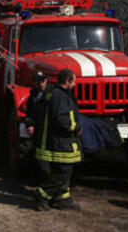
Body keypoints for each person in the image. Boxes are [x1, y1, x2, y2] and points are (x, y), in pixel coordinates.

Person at [33, 68, 82, 211]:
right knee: (63, 172)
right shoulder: (59, 96)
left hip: (58, 141)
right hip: (60, 141)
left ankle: (63, 199)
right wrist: (76, 127)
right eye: (74, 80)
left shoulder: (56, 94)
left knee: (64, 171)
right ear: (67, 81)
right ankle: (42, 195)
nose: (75, 83)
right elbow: (62, 119)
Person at [24, 71, 49, 136]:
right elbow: (29, 113)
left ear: (46, 80)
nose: (41, 84)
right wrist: (29, 125)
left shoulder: (52, 94)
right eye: (38, 82)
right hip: (36, 129)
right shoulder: (32, 96)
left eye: (43, 81)